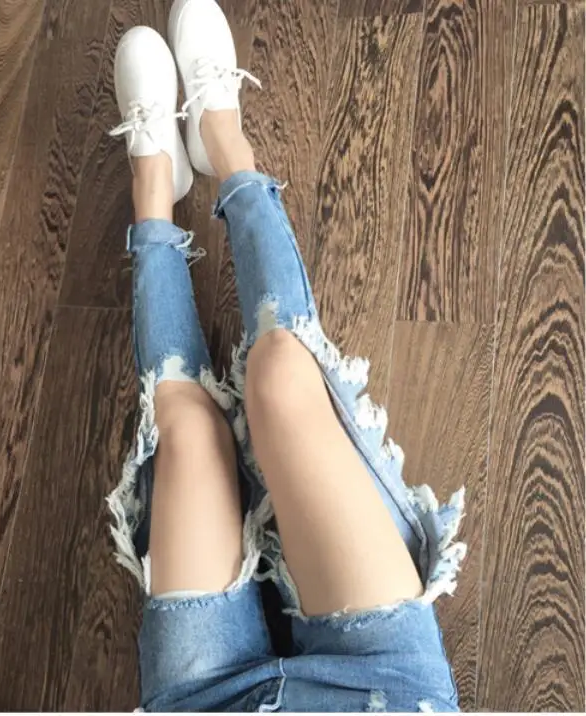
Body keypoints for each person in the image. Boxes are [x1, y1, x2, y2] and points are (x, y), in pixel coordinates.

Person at [106, 0, 466, 711]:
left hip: (208, 703)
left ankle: (152, 188)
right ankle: (223, 138)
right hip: (382, 692)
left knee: (188, 429)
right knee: (279, 374)